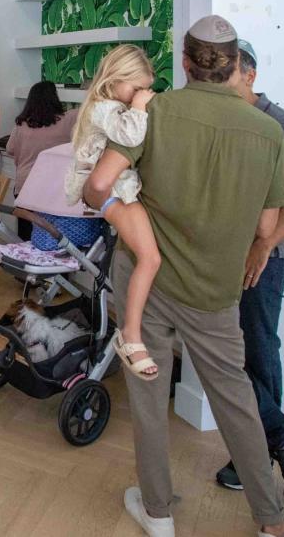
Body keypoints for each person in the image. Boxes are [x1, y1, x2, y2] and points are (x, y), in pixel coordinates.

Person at [84, 16, 284, 537]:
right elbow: (268, 224)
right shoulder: (270, 132)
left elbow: (96, 187)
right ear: (235, 67)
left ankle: (158, 513)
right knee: (238, 402)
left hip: (148, 283)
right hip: (217, 289)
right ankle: (271, 520)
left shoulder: (157, 111)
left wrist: (121, 216)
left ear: (186, 62)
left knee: (150, 400)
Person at [214, 39, 284, 501]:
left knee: (257, 354)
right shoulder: (220, 119)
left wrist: (265, 244)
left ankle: (262, 452)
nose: (219, 81)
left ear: (250, 75)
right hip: (219, 260)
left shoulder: (280, 123)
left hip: (263, 263)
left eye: (229, 72)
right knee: (227, 359)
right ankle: (277, 445)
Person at [65, 45, 160, 380]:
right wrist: (140, 107)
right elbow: (131, 134)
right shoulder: (106, 108)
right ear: (117, 79)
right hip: (113, 193)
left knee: (148, 258)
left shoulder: (102, 105)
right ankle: (130, 334)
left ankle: (130, 331)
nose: (138, 95)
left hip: (115, 192)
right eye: (135, 88)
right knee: (150, 259)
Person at [6, 80, 76, 240]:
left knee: (25, 235)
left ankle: (22, 262)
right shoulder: (67, 120)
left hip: (24, 187)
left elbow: (10, 149)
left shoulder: (21, 124)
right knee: (50, 235)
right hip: (53, 189)